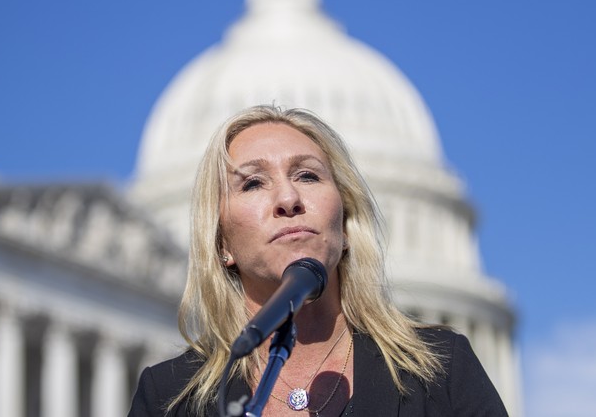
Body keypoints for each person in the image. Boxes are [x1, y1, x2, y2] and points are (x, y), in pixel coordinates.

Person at [130, 105, 508, 416]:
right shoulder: (169, 397)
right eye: (253, 183)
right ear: (221, 243)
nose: (288, 198)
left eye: (308, 175)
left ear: (344, 227)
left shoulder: (439, 369)